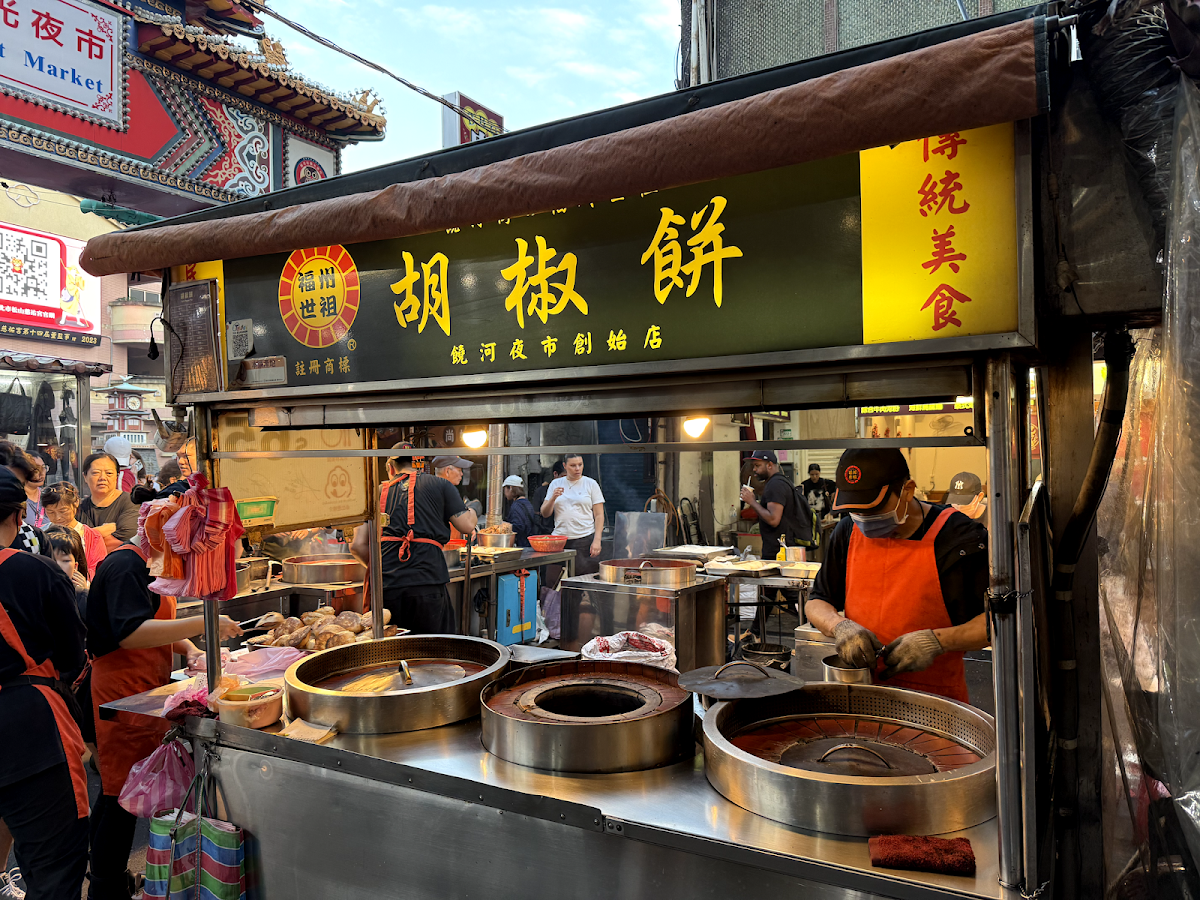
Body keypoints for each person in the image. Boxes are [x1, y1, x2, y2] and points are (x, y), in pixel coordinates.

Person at [86, 540, 242, 900]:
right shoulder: (127, 565)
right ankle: (105, 888)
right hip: (121, 690)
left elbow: (156, 623)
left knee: (117, 791)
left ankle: (107, 875)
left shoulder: (149, 563)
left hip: (145, 686)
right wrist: (208, 621)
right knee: (121, 795)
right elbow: (130, 633)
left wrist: (190, 648)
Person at [804, 449, 989, 703]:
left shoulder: (959, 536)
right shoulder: (847, 531)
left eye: (875, 509)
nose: (864, 520)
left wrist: (936, 642)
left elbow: (996, 623)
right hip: (862, 694)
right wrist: (839, 626)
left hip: (936, 703)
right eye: (857, 512)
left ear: (908, 491)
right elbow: (817, 601)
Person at [0, 469, 89, 900]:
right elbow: (73, 658)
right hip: (28, 726)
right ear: (19, 517)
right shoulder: (32, 571)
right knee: (55, 864)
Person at [349, 445, 477, 634]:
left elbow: (357, 546)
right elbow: (467, 525)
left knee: (391, 651)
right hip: (428, 582)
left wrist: (388, 563)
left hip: (387, 587)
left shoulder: (374, 493)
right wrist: (473, 510)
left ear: (390, 467)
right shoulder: (441, 485)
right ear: (417, 464)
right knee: (430, 650)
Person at [738, 449, 811, 560]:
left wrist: (752, 502)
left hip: (779, 553)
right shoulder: (781, 481)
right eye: (753, 466)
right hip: (782, 550)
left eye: (757, 465)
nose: (754, 470)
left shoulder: (775, 485)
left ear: (770, 465)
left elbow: (773, 519)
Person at [540, 453, 605, 576]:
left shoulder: (590, 484)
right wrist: (553, 498)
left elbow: (599, 515)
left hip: (584, 538)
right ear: (565, 466)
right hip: (559, 540)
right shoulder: (555, 484)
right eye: (573, 465)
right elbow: (545, 513)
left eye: (580, 465)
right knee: (552, 579)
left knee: (582, 580)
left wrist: (597, 540)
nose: (577, 468)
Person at [42, 483, 107, 580]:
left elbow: (100, 572)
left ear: (76, 503)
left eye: (63, 511)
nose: (58, 517)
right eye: (50, 512)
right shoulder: (40, 533)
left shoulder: (93, 537)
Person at [77, 453, 139, 553]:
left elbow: (124, 541)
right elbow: (71, 543)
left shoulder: (131, 503)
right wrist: (103, 531)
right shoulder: (79, 509)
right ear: (85, 476)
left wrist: (84, 535)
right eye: (96, 473)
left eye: (109, 473)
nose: (103, 478)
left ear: (117, 476)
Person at [502, 475, 538, 548]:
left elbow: (519, 526)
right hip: (531, 544)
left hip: (523, 545)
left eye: (505, 488)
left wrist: (503, 524)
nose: (504, 492)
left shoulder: (516, 506)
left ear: (510, 488)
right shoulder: (527, 502)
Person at [530, 461, 565, 534]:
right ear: (555, 474)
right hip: (546, 532)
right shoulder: (540, 492)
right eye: (564, 476)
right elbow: (537, 516)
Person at [22, 458, 46, 530]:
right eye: (36, 469)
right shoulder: (15, 499)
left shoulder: (49, 495)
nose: (41, 473)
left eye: (44, 467)